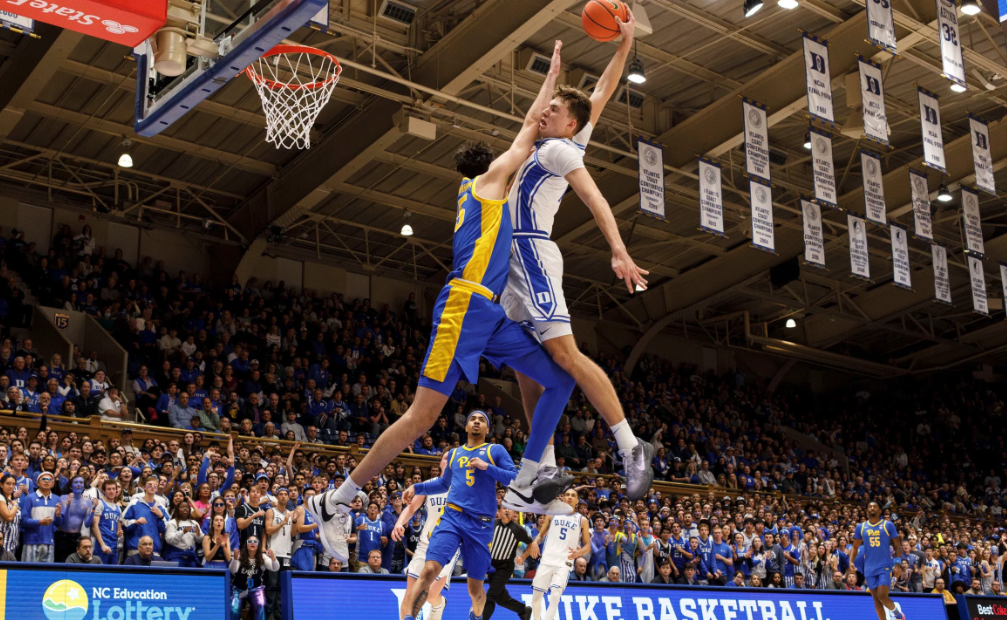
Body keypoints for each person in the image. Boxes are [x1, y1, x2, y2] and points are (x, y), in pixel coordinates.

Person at [304, 41, 578, 557]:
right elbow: (527, 127)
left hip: (490, 312)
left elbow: (526, 132)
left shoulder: (475, 190)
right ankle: (334, 503)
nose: (515, 156)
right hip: (464, 307)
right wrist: (551, 83)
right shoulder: (489, 181)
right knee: (421, 418)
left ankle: (526, 481)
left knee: (560, 378)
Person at [499, 8, 652, 504]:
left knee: (565, 356)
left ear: (571, 124)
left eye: (554, 110)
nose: (545, 112)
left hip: (534, 254)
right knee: (525, 367)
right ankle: (542, 468)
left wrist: (618, 250)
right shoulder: (546, 141)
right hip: (509, 262)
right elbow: (601, 94)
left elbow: (596, 199)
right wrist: (621, 48)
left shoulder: (562, 151)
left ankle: (631, 446)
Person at [401, 411, 517, 620]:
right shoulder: (454, 454)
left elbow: (514, 478)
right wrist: (416, 487)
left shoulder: (495, 450)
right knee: (428, 570)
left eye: (482, 420)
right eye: (473, 419)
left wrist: (487, 467)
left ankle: (477, 615)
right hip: (452, 517)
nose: (476, 422)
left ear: (487, 429)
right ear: (465, 427)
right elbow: (443, 484)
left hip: (480, 525)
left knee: (474, 590)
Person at [391, 453, 459, 620]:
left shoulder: (464, 488)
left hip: (449, 547)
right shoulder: (428, 485)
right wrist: (399, 523)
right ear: (441, 464)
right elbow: (411, 508)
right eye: (446, 458)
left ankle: (439, 603)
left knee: (428, 595)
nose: (449, 460)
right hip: (425, 544)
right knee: (410, 595)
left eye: (454, 457)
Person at [530, 489, 589, 620]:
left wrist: (578, 552)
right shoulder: (552, 514)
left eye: (573, 495)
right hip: (547, 560)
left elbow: (588, 546)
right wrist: (534, 543)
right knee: (536, 595)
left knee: (555, 594)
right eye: (567, 495)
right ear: (562, 498)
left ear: (577, 500)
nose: (569, 497)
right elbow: (541, 535)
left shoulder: (582, 520)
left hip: (564, 562)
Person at [849, 501, 904, 620]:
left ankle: (896, 613)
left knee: (882, 596)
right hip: (868, 567)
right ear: (867, 510)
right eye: (870, 507)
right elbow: (854, 547)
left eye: (875, 507)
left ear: (880, 511)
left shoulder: (888, 525)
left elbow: (897, 545)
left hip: (884, 565)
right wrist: (851, 562)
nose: (872, 508)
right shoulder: (861, 527)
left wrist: (898, 562)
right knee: (876, 599)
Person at [483, 507, 536, 620]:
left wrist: (523, 557)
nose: (507, 511)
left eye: (509, 510)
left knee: (491, 596)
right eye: (504, 509)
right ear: (500, 511)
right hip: (492, 566)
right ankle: (523, 610)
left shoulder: (518, 529)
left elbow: (531, 544)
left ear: (513, 513)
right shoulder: (493, 524)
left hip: (505, 567)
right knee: (501, 598)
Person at [230, 537, 279, 620]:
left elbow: (275, 568)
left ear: (258, 544)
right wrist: (235, 559)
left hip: (255, 590)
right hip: (240, 590)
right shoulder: (240, 555)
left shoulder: (262, 557)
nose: (252, 543)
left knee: (261, 604)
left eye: (255, 541)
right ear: (246, 544)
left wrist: (273, 558)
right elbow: (233, 570)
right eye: (250, 541)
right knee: (234, 608)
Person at [21, 470, 62, 562]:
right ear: (38, 482)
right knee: (29, 572)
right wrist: (40, 522)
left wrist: (58, 515)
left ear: (53, 484)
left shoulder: (57, 499)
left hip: (49, 542)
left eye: (49, 479)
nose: (47, 481)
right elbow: (23, 520)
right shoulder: (30, 498)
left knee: (47, 574)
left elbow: (59, 524)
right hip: (31, 541)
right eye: (44, 479)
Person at [123, 476, 167, 557]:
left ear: (157, 488)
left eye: (155, 485)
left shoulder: (161, 507)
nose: (153, 487)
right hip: (135, 548)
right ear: (144, 487)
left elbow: (164, 529)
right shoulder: (134, 503)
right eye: (149, 485)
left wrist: (161, 516)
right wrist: (135, 522)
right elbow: (123, 522)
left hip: (154, 550)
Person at [55, 476, 91, 562]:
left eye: (81, 483)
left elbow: (87, 523)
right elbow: (65, 522)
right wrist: (68, 505)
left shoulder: (88, 501)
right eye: (76, 482)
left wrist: (93, 510)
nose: (78, 485)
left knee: (76, 563)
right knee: (61, 562)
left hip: (77, 536)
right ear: (71, 486)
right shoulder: (63, 498)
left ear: (84, 486)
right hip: (63, 535)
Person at [164, 499, 204, 567]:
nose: (185, 509)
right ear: (177, 510)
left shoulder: (194, 523)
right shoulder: (172, 523)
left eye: (187, 507)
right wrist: (182, 532)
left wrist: (198, 534)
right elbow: (169, 540)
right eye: (182, 507)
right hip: (177, 556)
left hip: (191, 556)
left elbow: (199, 541)